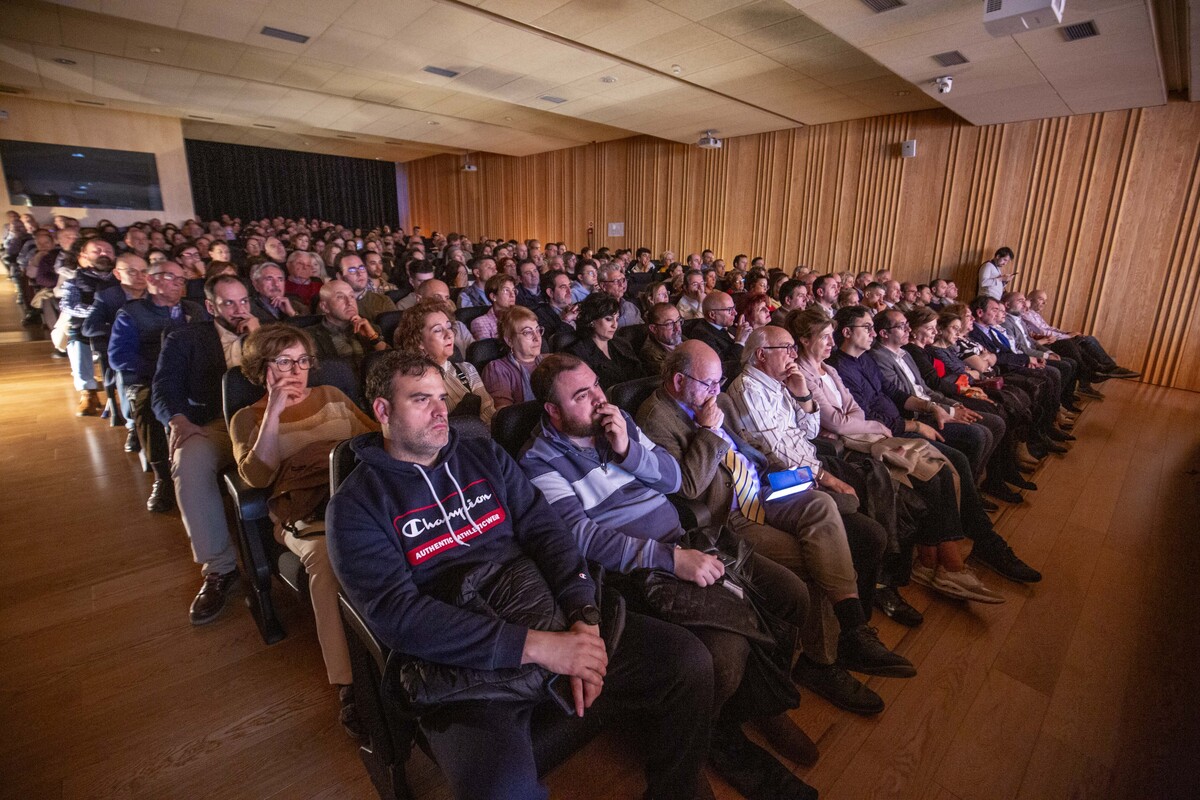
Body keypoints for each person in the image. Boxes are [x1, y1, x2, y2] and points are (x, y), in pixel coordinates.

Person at [327, 351, 716, 800]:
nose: (441, 411)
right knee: (502, 792)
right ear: (382, 411)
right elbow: (399, 616)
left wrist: (584, 617)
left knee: (689, 663)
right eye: (421, 400)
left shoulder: (482, 454)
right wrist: (541, 648)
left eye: (441, 397)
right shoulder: (355, 507)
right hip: (463, 662)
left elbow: (547, 532)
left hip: (541, 605)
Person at [521, 354, 824, 794]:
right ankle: (706, 738)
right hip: (635, 572)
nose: (598, 400)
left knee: (791, 595)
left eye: (596, 386)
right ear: (552, 409)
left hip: (687, 538)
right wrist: (669, 559)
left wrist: (628, 449)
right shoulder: (538, 460)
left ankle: (762, 704)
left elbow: (671, 479)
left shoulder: (618, 421)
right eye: (581, 396)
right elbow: (581, 539)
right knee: (723, 654)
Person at [230, 324, 377, 738]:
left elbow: (373, 441)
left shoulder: (332, 396)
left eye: (302, 361)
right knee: (327, 560)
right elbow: (257, 478)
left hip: (357, 504)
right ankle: (348, 684)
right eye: (283, 362)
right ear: (262, 369)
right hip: (306, 519)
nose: (296, 370)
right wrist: (274, 412)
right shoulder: (249, 417)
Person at [826, 306, 1041, 588]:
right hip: (883, 433)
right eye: (866, 328)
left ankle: (965, 535)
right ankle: (968, 543)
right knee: (951, 461)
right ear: (847, 332)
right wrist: (916, 424)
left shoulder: (865, 359)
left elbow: (898, 393)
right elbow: (865, 416)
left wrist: (933, 407)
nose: (872, 334)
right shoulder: (841, 366)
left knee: (965, 452)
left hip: (901, 422)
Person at [153, 275, 259, 625]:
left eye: (243, 301)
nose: (238, 309)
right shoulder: (185, 338)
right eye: (229, 303)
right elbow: (164, 387)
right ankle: (219, 567)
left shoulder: (267, 332)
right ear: (211, 307)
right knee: (189, 460)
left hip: (264, 420)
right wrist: (178, 420)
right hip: (214, 424)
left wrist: (257, 339)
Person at [109, 260, 208, 512]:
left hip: (196, 374)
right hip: (152, 377)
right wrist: (163, 368)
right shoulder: (132, 313)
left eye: (181, 279)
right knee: (149, 403)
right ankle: (163, 477)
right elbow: (119, 356)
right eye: (169, 277)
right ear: (151, 280)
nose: (177, 283)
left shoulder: (195, 310)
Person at [395, 298, 496, 425]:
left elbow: (489, 413)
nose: (449, 334)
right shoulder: (411, 381)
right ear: (419, 341)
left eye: (448, 327)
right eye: (437, 330)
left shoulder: (466, 369)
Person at [1022, 288, 1139, 380]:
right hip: (1049, 342)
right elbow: (1043, 332)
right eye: (1041, 299)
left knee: (1085, 341)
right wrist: (1068, 336)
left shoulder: (1035, 314)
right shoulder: (1026, 314)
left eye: (1045, 300)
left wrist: (1066, 332)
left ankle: (1103, 370)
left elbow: (1049, 328)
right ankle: (1106, 369)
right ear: (1030, 299)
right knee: (1087, 341)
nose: (1045, 303)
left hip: (1055, 338)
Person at [60, 236, 118, 415]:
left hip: (117, 323)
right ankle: (88, 391)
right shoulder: (74, 279)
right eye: (97, 250)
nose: (104, 254)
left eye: (108, 251)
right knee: (77, 342)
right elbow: (68, 305)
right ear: (84, 255)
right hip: (87, 325)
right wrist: (98, 312)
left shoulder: (121, 276)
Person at [308, 280, 388, 375]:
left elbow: (393, 363)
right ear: (325, 307)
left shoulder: (372, 329)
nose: (349, 302)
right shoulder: (309, 337)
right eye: (340, 297)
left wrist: (373, 337)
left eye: (351, 296)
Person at [565, 293, 643, 390]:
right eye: (609, 319)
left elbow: (642, 378)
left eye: (617, 319)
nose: (615, 325)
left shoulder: (623, 343)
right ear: (592, 321)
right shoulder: (576, 354)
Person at [482, 306, 546, 409]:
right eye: (528, 332)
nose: (536, 337)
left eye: (538, 330)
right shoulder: (497, 369)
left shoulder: (550, 361)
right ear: (510, 341)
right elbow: (505, 416)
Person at [687, 291, 751, 362]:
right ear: (712, 315)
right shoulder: (702, 335)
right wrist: (740, 341)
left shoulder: (727, 325)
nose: (735, 313)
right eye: (729, 310)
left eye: (734, 307)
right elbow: (725, 367)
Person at [337, 252, 395, 323]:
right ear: (340, 276)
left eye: (361, 267)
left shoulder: (383, 301)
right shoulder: (332, 305)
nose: (359, 273)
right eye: (352, 270)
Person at [470, 273, 518, 341]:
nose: (512, 295)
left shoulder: (521, 317)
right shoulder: (480, 323)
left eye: (513, 290)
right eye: (506, 290)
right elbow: (488, 350)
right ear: (493, 296)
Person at [641, 302, 683, 373]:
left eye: (678, 321)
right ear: (654, 329)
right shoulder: (651, 356)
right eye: (669, 324)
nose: (677, 328)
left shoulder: (680, 337)